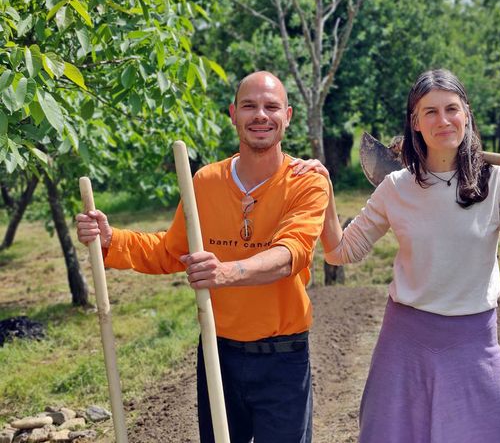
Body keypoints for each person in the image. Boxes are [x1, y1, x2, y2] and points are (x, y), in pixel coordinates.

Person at [290, 68, 500, 442]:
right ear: (415, 123)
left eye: (451, 109)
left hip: (475, 341)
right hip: (405, 344)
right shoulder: (396, 186)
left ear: (467, 115)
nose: (443, 120)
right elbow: (340, 252)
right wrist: (326, 190)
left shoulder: (497, 182)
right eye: (430, 112)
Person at [77, 71, 329, 443]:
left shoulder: (306, 181)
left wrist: (225, 272)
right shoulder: (205, 182)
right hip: (218, 351)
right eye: (249, 106)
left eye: (271, 106)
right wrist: (111, 239)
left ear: (287, 116)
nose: (261, 115)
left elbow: (291, 254)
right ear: (232, 114)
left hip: (283, 357)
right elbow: (169, 252)